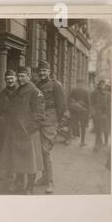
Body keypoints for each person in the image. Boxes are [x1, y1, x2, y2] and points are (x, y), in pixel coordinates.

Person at [0, 67, 45, 194]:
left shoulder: (35, 92)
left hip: (28, 132)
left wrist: (29, 130)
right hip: (15, 131)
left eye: (22, 76)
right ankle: (19, 183)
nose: (19, 79)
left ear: (29, 76)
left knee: (31, 162)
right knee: (18, 160)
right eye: (18, 76)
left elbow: (39, 115)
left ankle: (30, 187)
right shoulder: (18, 90)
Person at [35, 60, 68, 194]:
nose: (42, 73)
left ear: (49, 71)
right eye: (40, 71)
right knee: (40, 150)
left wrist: (60, 124)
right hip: (39, 120)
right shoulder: (37, 85)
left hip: (50, 121)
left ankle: (50, 182)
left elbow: (62, 106)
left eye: (45, 70)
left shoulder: (56, 85)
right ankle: (44, 177)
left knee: (46, 150)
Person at [0, 70, 19, 188]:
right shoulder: (2, 94)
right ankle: (9, 175)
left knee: (17, 151)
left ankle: (18, 177)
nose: (10, 81)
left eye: (12, 78)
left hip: (18, 126)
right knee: (6, 150)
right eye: (8, 79)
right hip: (5, 126)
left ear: (16, 79)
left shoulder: (21, 92)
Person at [91, 79, 111, 151]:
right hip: (97, 115)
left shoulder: (108, 95)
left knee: (105, 129)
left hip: (105, 115)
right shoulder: (96, 93)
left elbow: (109, 106)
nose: (103, 86)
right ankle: (97, 144)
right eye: (101, 85)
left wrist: (109, 115)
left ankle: (105, 142)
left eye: (104, 85)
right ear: (99, 85)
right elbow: (92, 103)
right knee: (98, 130)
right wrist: (93, 112)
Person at [68, 82, 91, 147]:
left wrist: (73, 103)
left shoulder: (74, 89)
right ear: (83, 83)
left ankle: (69, 138)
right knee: (83, 126)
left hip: (75, 108)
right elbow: (88, 102)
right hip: (83, 109)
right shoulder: (86, 90)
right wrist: (88, 111)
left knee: (73, 123)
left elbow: (69, 98)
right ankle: (82, 142)